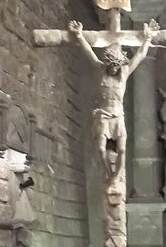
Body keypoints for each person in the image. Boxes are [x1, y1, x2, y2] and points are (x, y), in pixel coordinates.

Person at [68, 18, 159, 190]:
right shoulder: (100, 69)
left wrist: (147, 39)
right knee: (101, 149)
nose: (115, 70)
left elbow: (140, 55)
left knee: (123, 150)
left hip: (117, 115)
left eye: (118, 67)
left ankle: (116, 177)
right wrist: (79, 36)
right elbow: (89, 53)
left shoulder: (124, 73)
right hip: (103, 114)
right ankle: (110, 175)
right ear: (108, 64)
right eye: (113, 67)